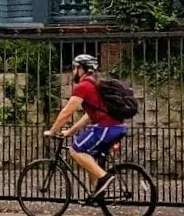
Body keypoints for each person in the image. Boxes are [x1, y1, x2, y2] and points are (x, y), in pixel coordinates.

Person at [44, 53, 126, 198]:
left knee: (75, 150)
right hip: (116, 127)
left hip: (106, 127)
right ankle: (96, 194)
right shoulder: (95, 84)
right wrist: (70, 131)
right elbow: (89, 116)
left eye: (75, 68)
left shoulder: (84, 86)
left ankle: (104, 177)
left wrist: (53, 131)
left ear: (81, 69)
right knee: (88, 156)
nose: (74, 72)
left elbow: (66, 112)